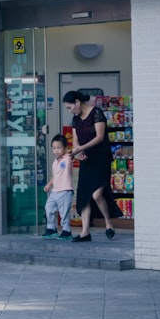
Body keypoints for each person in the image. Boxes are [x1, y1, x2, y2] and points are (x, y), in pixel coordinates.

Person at [62, 90, 122, 242]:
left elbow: (100, 137)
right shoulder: (75, 119)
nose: (70, 111)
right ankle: (85, 232)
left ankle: (108, 222)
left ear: (77, 102)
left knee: (96, 194)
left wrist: (80, 149)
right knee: (84, 196)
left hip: (101, 158)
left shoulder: (96, 113)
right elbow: (75, 140)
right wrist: (78, 152)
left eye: (70, 107)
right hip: (86, 159)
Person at [41, 134, 74, 240]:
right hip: (55, 191)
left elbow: (74, 154)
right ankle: (51, 229)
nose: (56, 150)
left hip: (65, 191)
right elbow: (54, 176)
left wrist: (70, 152)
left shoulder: (68, 159)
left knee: (64, 212)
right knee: (48, 208)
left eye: (59, 148)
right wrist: (49, 185)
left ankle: (67, 231)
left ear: (65, 148)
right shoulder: (55, 162)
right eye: (54, 148)